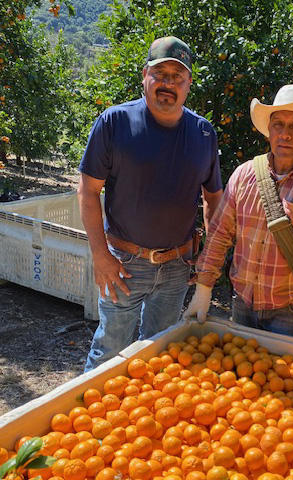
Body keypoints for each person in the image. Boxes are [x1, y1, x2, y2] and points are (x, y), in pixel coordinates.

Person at [78, 36, 223, 371]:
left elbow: (214, 198)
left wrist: (207, 254)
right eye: (160, 74)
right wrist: (100, 256)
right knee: (108, 355)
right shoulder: (115, 123)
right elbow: (87, 192)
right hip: (124, 264)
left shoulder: (203, 133)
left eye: (177, 76)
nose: (167, 83)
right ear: (144, 76)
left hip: (177, 266)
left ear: (188, 84)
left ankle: (143, 419)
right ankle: (92, 418)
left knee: (160, 354)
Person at [184, 84, 293, 367]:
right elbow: (219, 234)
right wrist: (204, 289)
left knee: (280, 396)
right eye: (278, 124)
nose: (285, 133)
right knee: (240, 388)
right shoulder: (245, 175)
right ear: (269, 130)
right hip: (241, 306)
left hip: (289, 312)